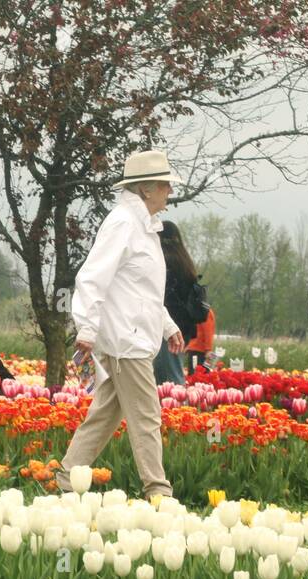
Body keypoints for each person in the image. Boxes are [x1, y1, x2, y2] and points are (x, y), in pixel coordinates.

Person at [56, 149, 185, 500]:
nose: (169, 192)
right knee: (147, 416)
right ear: (145, 189)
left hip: (132, 335)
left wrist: (167, 325)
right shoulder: (124, 223)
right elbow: (93, 278)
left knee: (105, 415)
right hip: (125, 339)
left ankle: (66, 479)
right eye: (164, 185)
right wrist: (86, 327)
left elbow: (140, 290)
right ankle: (158, 491)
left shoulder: (143, 227)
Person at [153, 220, 207, 385]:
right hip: (184, 329)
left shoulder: (163, 261)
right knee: (171, 372)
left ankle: (177, 409)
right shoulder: (184, 261)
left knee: (169, 378)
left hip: (167, 328)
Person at [185, 307, 216, 374]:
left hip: (197, 351)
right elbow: (207, 331)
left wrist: (208, 349)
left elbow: (207, 331)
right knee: (200, 376)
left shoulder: (197, 311)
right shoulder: (203, 311)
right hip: (198, 351)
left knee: (195, 376)